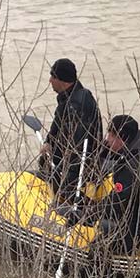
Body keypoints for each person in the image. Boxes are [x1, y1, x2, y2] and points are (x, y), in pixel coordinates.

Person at [85, 114, 140, 256]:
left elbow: (119, 200)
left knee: (99, 250)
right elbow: (116, 154)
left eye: (111, 136)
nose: (107, 139)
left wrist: (90, 213)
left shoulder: (135, 167)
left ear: (122, 139)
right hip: (136, 214)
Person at [40, 58, 103, 201]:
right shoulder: (66, 99)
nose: (50, 80)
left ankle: (85, 210)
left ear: (63, 80)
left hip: (81, 164)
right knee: (44, 163)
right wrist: (48, 142)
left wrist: (68, 178)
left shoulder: (77, 106)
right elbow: (57, 125)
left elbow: (80, 147)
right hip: (62, 158)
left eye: (53, 77)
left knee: (66, 191)